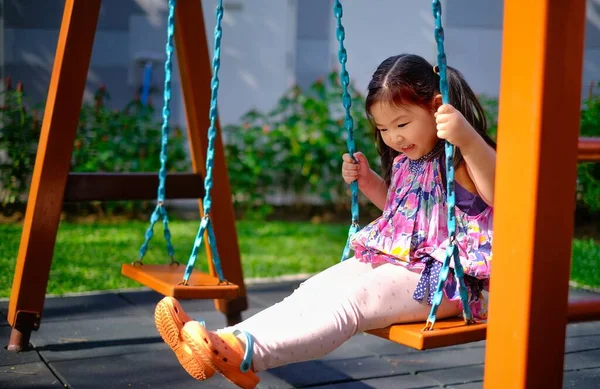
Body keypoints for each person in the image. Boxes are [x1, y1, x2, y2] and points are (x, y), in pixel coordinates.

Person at [153, 53, 496, 389]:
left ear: (437, 108)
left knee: (353, 301)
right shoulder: (408, 160)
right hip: (403, 263)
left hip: (448, 281)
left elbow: (499, 194)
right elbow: (400, 213)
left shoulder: (460, 159)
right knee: (315, 288)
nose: (393, 138)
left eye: (402, 124)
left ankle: (244, 353)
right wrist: (369, 182)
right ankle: (225, 341)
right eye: (383, 128)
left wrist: (466, 137)